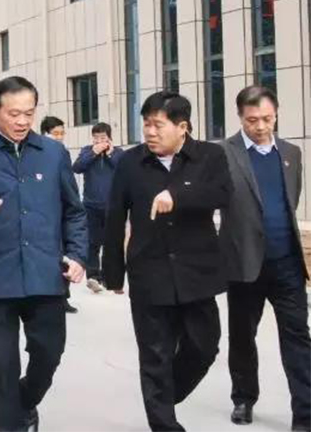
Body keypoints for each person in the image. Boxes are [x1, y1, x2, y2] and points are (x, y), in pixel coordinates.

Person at [0, 76, 88, 431]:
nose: (23, 121)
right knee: (2, 367)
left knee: (49, 353)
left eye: (29, 113)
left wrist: (77, 255)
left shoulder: (53, 153)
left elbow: (74, 210)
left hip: (46, 275)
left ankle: (26, 400)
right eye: (14, 113)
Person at [104, 91, 232, 432]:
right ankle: (163, 421)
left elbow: (222, 193)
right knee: (155, 356)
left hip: (197, 273)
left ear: (182, 127)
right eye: (146, 124)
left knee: (204, 346)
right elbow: (115, 216)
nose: (150, 132)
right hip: (150, 272)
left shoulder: (210, 156)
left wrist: (178, 194)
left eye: (158, 125)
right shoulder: (130, 163)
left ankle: (163, 396)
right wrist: (113, 274)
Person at [219, 86, 310, 431]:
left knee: (298, 336)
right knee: (243, 335)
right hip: (244, 263)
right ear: (240, 117)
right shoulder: (224, 153)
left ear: (276, 114)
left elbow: (290, 199)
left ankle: (305, 411)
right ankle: (243, 397)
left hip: (286, 261)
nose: (260, 126)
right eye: (252, 120)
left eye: (267, 119)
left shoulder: (291, 153)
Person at [72, 122, 124, 293]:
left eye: (103, 137)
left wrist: (110, 155)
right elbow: (77, 168)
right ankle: (93, 277)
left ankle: (111, 279)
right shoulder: (87, 151)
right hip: (91, 205)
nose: (99, 141)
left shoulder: (118, 153)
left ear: (110, 138)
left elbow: (124, 170)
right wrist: (93, 153)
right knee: (92, 242)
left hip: (113, 206)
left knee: (112, 243)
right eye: (96, 137)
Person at [40, 115, 78, 314]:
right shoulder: (37, 152)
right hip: (44, 210)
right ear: (44, 133)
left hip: (62, 208)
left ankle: (64, 295)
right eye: (55, 133)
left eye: (62, 133)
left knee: (64, 254)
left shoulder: (61, 152)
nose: (59, 137)